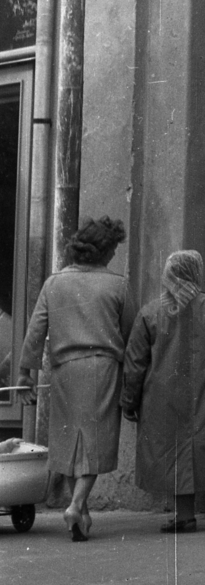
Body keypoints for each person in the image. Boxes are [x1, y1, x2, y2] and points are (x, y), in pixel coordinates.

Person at [17, 217, 134, 541]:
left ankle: (79, 513)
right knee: (96, 440)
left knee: (70, 441)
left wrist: (26, 373)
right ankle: (77, 504)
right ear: (104, 250)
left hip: (64, 370)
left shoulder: (54, 283)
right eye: (112, 248)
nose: (113, 254)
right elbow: (131, 334)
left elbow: (36, 330)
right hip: (103, 367)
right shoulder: (118, 285)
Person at [120, 251, 205, 532]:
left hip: (163, 400)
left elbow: (134, 364)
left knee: (174, 451)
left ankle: (185, 516)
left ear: (168, 276)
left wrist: (129, 402)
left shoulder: (150, 313)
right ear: (196, 273)